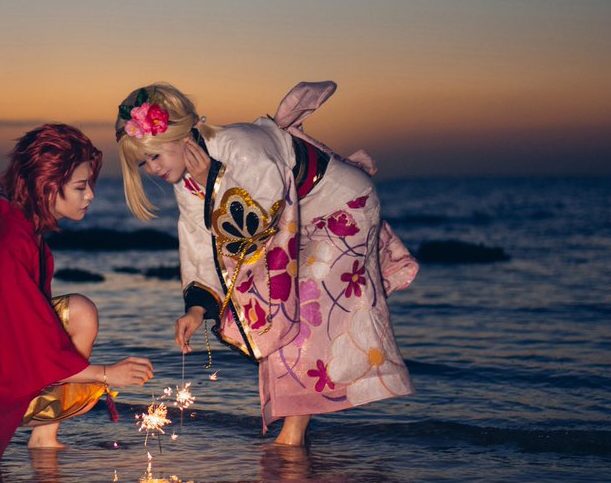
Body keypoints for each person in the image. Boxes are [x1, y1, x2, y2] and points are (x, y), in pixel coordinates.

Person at [114, 82, 418, 446]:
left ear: (181, 137)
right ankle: (293, 430)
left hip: (342, 207)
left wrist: (214, 180)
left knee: (303, 312)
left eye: (154, 157)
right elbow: (198, 240)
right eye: (144, 163)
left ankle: (293, 433)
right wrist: (197, 308)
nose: (152, 169)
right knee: (285, 314)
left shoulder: (242, 145)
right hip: (301, 218)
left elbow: (264, 214)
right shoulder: (189, 182)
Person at [0, 123, 153, 463]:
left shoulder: (13, 224)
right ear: (47, 188)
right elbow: (28, 347)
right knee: (84, 388)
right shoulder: (8, 244)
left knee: (80, 312)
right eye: (81, 187)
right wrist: (107, 373)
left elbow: (24, 325)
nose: (91, 196)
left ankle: (42, 436)